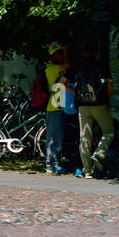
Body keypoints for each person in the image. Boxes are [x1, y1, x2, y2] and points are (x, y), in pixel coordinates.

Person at [71, 39, 115, 179]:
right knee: (108, 132)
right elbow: (109, 87)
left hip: (83, 106)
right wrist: (105, 99)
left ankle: (87, 171)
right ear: (96, 52)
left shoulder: (78, 66)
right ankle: (99, 154)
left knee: (84, 138)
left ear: (84, 52)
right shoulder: (101, 65)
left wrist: (77, 95)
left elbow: (67, 84)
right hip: (99, 104)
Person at [44, 42, 72, 175]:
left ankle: (55, 162)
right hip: (54, 106)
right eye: (59, 53)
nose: (61, 55)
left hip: (59, 106)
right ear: (53, 56)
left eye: (62, 53)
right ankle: (51, 165)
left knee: (58, 137)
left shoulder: (56, 68)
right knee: (53, 137)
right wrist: (67, 51)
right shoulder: (51, 68)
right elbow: (68, 65)